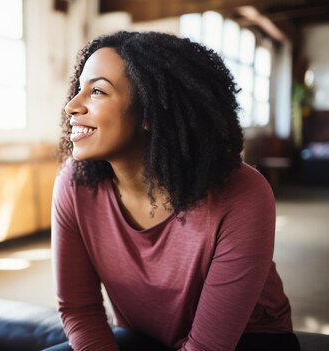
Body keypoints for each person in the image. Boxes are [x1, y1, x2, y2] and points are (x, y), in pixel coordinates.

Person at [50, 31, 299, 351]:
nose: (71, 105)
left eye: (97, 91)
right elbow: (79, 309)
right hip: (144, 338)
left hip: (250, 341)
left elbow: (209, 347)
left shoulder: (243, 193)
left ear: (150, 113)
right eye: (79, 88)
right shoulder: (74, 183)